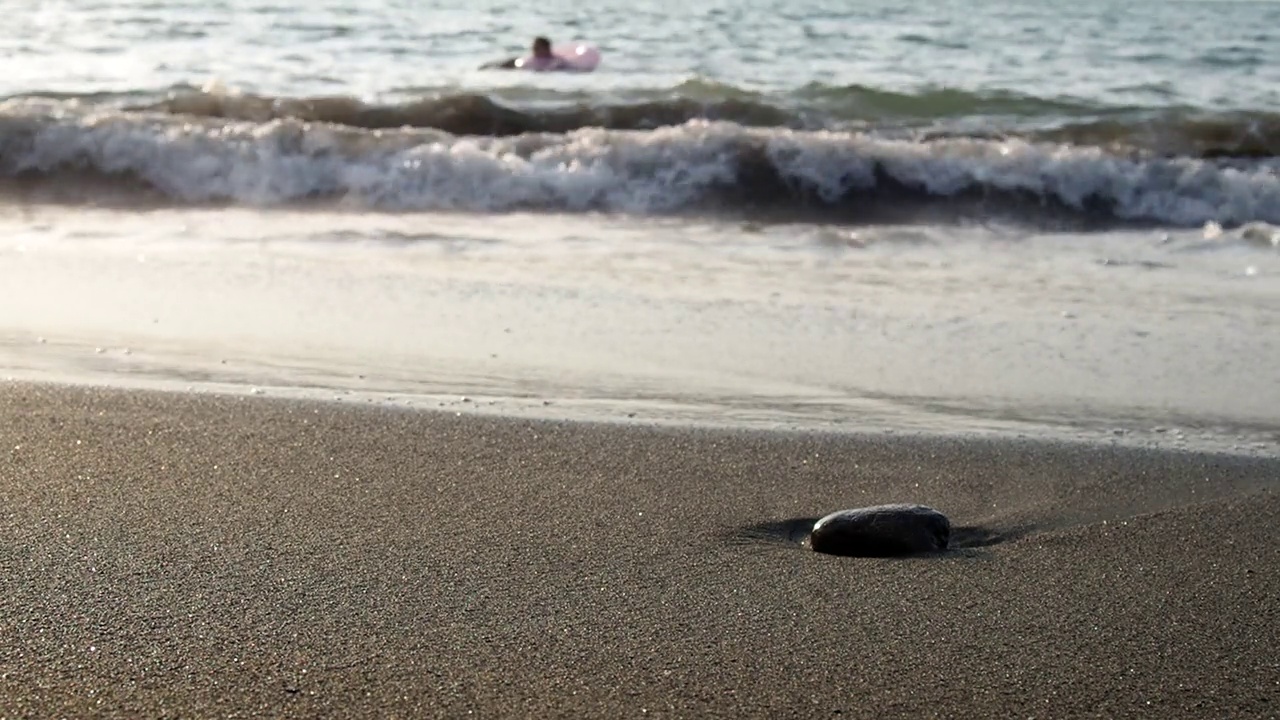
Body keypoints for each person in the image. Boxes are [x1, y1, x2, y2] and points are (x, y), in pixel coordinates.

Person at [481, 37, 567, 71]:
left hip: (527, 68)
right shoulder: (534, 58)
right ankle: (487, 67)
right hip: (520, 64)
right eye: (533, 48)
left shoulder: (556, 61)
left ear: (546, 49)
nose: (534, 50)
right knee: (508, 62)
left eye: (537, 48)